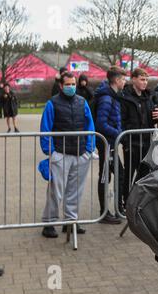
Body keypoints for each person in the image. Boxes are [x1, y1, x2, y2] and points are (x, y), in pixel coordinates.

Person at [40, 72, 96, 238]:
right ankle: (49, 223)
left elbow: (90, 125)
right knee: (55, 191)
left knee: (75, 191)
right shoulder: (52, 103)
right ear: (61, 85)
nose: (71, 87)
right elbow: (45, 129)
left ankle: (71, 222)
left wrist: (89, 149)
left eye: (73, 84)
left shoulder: (82, 102)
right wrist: (50, 152)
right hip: (60, 154)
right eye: (68, 84)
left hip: (80, 154)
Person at [121, 68, 158, 206]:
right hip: (131, 143)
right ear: (133, 79)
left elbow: (153, 119)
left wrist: (157, 116)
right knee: (128, 175)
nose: (145, 83)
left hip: (146, 142)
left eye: (146, 80)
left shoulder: (149, 97)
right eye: (142, 79)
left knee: (144, 175)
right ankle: (126, 202)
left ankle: (139, 202)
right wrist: (126, 140)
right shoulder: (125, 97)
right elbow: (122, 120)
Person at [94, 66, 127, 224]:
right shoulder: (107, 98)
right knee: (105, 177)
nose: (125, 81)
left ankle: (116, 209)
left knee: (116, 174)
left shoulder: (113, 96)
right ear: (116, 80)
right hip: (106, 144)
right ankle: (105, 212)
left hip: (111, 143)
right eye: (123, 79)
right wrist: (117, 133)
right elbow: (101, 124)